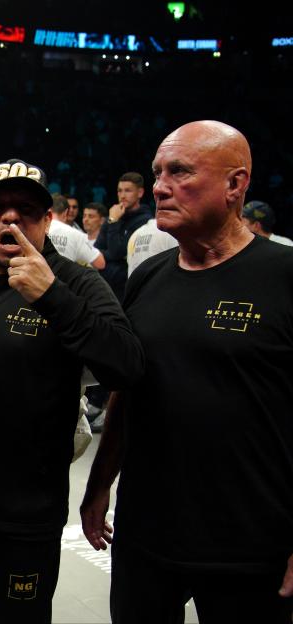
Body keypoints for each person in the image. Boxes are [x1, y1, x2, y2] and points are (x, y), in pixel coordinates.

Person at [81, 120, 293, 623]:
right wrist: (99, 481)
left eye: (179, 171)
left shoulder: (283, 276)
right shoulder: (149, 277)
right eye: (157, 172)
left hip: (249, 541)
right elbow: (128, 395)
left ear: (235, 185)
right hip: (147, 535)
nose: (159, 186)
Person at [0, 158, 142, 624]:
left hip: (25, 514)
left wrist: (52, 297)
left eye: (26, 209)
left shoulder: (77, 282)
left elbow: (128, 365)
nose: (11, 218)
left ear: (48, 221)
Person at [95, 172, 153, 300]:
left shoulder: (145, 221)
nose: (122, 196)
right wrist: (117, 254)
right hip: (106, 287)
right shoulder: (113, 215)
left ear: (140, 193)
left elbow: (116, 251)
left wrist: (113, 222)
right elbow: (95, 250)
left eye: (127, 191)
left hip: (128, 289)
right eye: (119, 191)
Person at [48, 192, 105, 269]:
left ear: (48, 210)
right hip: (64, 279)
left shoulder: (35, 229)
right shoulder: (76, 235)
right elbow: (100, 263)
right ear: (65, 213)